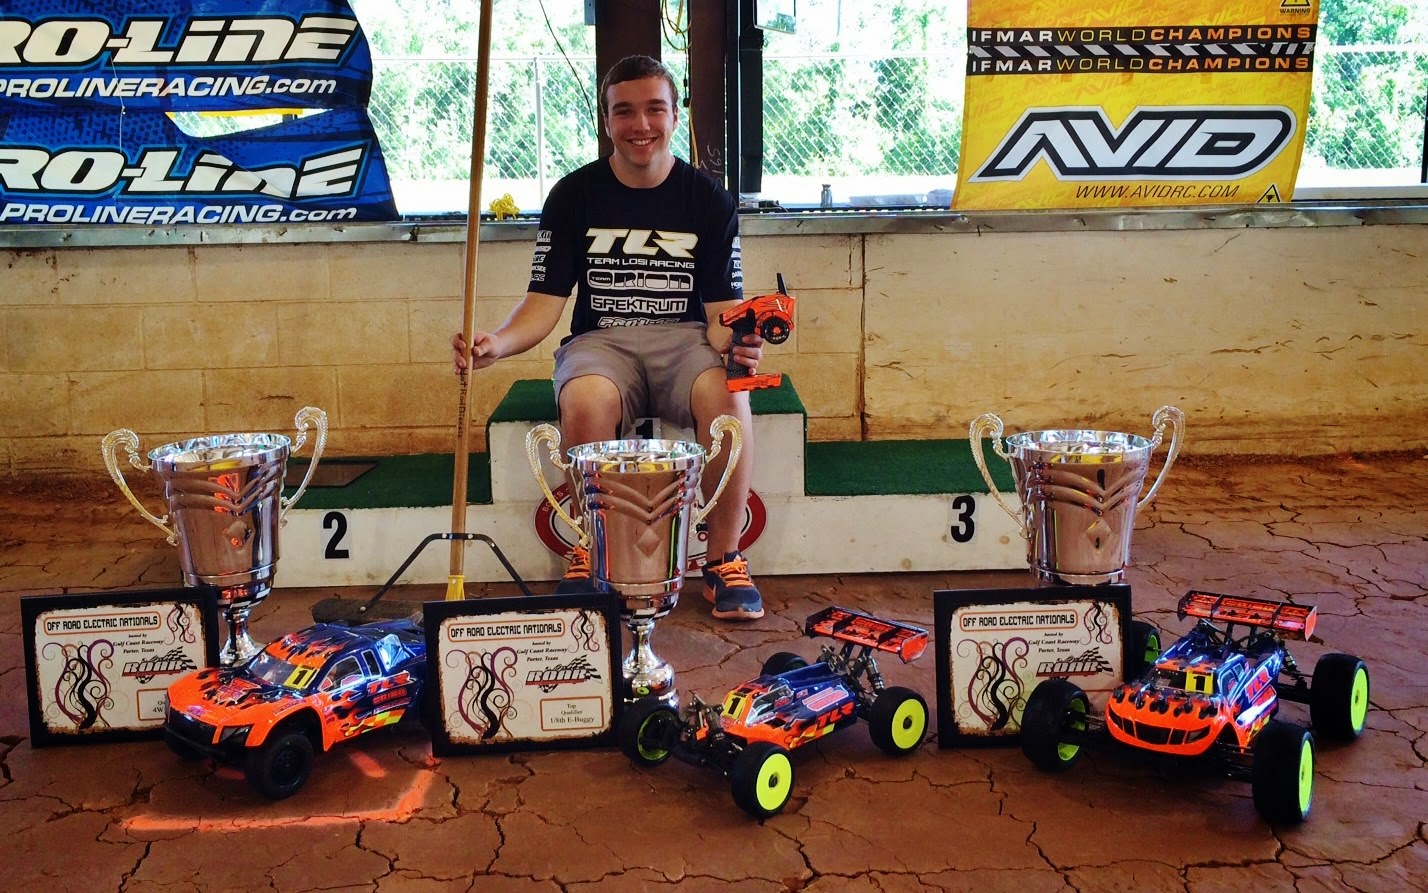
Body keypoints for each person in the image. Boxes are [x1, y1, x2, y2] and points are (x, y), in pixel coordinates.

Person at [452, 55, 766, 621]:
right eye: (624, 111)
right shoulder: (573, 196)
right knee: (584, 398)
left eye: (654, 109)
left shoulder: (709, 200)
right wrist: (496, 342)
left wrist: (742, 340)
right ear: (606, 120)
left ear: (675, 115)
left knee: (730, 397)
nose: (640, 124)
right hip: (600, 343)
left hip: (685, 340)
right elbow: (544, 303)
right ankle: (588, 551)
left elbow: (723, 312)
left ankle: (724, 559)